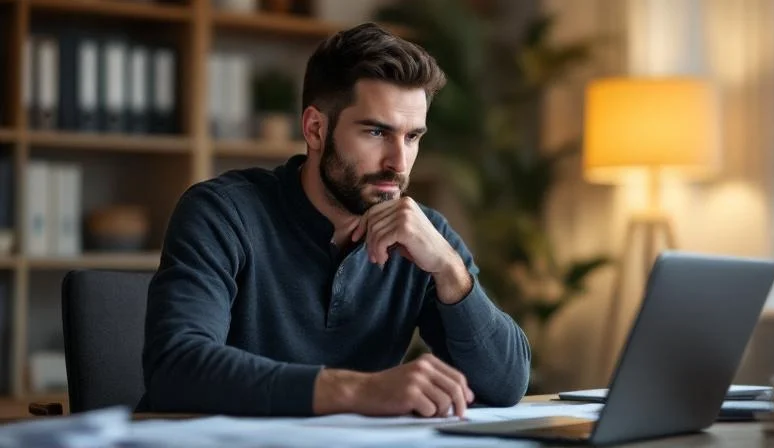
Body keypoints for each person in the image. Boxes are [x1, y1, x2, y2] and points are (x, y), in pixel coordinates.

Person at [138, 22, 531, 418]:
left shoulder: (423, 235)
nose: (398, 162)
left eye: (412, 137)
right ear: (315, 129)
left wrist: (449, 270)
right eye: (377, 132)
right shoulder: (222, 212)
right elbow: (177, 368)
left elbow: (506, 385)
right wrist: (361, 390)